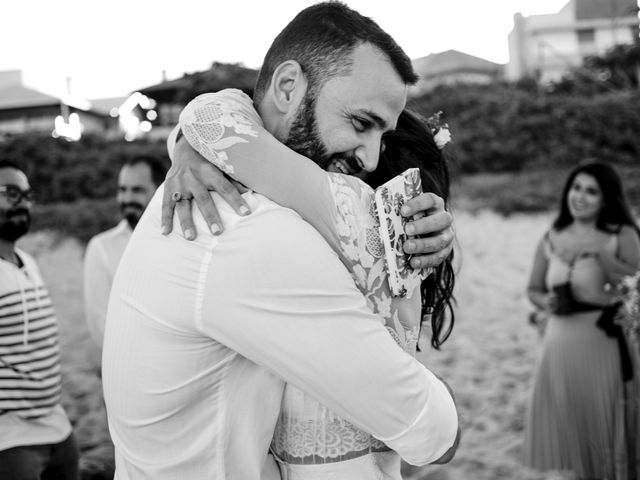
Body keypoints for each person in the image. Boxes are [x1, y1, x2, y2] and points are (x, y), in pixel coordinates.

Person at [102, 3, 458, 479]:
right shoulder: (256, 230)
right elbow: (429, 430)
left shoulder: (224, 185)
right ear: (288, 87)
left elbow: (225, 119)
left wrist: (189, 139)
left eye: (382, 136)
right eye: (359, 123)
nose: (371, 160)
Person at [172, 95, 458, 478]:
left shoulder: (330, 224)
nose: (365, 160)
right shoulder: (396, 258)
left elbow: (212, 113)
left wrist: (189, 144)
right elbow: (435, 440)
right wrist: (190, 144)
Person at [524, 160, 640, 479]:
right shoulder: (552, 236)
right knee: (574, 443)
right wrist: (545, 302)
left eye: (591, 191)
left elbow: (635, 289)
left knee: (607, 440)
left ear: (606, 199)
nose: (580, 196)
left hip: (604, 347)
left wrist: (606, 261)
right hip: (558, 350)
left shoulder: (623, 235)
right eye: (576, 188)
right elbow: (533, 289)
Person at [0, 160, 79, 480]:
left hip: (57, 428)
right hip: (12, 440)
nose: (23, 203)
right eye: (11, 193)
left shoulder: (28, 261)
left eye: (28, 195)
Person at [83, 155, 166, 352]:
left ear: (160, 190)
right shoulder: (102, 248)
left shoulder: (180, 240)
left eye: (137, 190)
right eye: (122, 190)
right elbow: (100, 326)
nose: (127, 199)